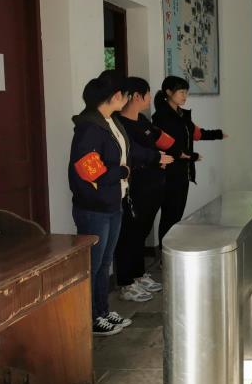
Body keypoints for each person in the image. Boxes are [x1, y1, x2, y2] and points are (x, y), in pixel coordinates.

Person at [68, 70, 133, 336]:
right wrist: (122, 171)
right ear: (116, 96)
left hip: (112, 202)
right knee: (93, 265)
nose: (127, 99)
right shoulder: (89, 127)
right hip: (94, 208)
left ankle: (102, 311)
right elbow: (90, 171)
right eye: (126, 95)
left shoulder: (110, 121)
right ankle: (91, 317)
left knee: (105, 263)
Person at [114, 77, 176, 302]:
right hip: (135, 189)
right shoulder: (119, 124)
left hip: (153, 187)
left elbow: (160, 143)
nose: (150, 98)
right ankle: (126, 282)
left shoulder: (142, 120)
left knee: (142, 232)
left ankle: (138, 275)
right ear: (136, 96)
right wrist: (155, 158)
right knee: (129, 234)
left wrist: (163, 157)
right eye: (148, 94)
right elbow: (131, 153)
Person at [152, 76, 227, 251]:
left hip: (183, 172)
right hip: (168, 173)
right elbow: (167, 145)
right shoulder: (162, 117)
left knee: (176, 216)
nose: (185, 96)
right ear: (168, 92)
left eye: (186, 92)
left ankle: (172, 253)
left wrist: (218, 134)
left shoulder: (182, 115)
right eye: (181, 92)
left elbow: (196, 133)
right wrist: (190, 156)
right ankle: (165, 255)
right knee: (169, 216)